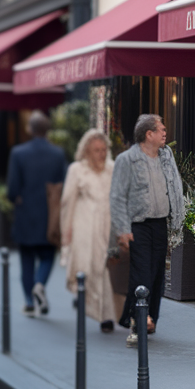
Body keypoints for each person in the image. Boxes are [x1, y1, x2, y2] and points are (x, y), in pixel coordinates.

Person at [109, 114, 184, 348]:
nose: (165, 133)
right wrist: (122, 229)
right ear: (148, 134)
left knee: (156, 275)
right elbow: (117, 197)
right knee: (141, 273)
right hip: (137, 225)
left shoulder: (166, 156)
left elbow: (175, 186)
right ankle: (138, 321)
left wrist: (177, 223)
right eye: (161, 129)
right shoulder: (127, 160)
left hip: (160, 224)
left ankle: (147, 318)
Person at [7, 111, 68, 316]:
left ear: (30, 129)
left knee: (26, 259)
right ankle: (40, 284)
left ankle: (29, 302)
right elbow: (63, 185)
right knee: (48, 255)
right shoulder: (58, 154)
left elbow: (12, 189)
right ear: (47, 130)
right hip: (49, 214)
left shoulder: (18, 153)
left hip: (25, 213)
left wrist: (17, 198)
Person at [61, 129, 117, 332]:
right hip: (83, 226)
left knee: (102, 269)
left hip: (106, 225)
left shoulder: (112, 168)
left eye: (103, 150)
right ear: (86, 151)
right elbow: (68, 204)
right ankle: (99, 312)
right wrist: (66, 235)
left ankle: (105, 315)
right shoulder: (76, 170)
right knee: (86, 268)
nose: (100, 154)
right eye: (96, 150)